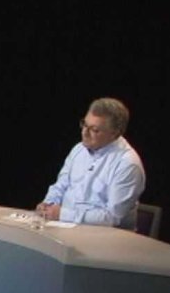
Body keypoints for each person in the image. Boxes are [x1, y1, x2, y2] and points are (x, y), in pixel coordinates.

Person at [37, 97, 145, 229]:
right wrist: (48, 204)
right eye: (84, 124)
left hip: (104, 236)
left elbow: (112, 218)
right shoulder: (78, 149)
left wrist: (63, 214)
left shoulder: (128, 164)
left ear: (115, 133)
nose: (84, 132)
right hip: (64, 226)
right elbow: (61, 185)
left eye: (94, 129)